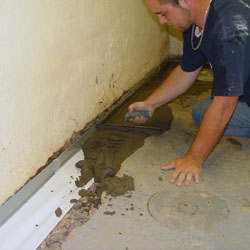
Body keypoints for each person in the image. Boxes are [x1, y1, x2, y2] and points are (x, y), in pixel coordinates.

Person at [128, 0, 250, 186]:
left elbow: (225, 105)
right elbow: (187, 69)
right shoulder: (197, 22)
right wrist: (150, 104)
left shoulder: (230, 29)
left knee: (216, 111)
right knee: (202, 112)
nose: (162, 21)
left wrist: (194, 158)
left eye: (163, 14)